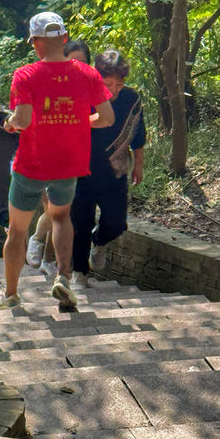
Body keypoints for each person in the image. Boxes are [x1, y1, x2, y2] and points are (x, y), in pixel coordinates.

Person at [0, 13, 114, 311]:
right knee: (60, 218)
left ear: (35, 43)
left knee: (18, 230)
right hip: (68, 163)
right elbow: (107, 118)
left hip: (31, 164)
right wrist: (77, 121)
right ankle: (63, 277)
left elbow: (22, 119)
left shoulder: (25, 75)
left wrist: (10, 122)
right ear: (64, 38)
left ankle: (10, 294)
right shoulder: (88, 75)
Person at [71, 50, 145, 288]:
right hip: (83, 169)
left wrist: (139, 165)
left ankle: (100, 241)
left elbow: (138, 134)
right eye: (108, 84)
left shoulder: (131, 100)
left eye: (119, 84)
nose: (113, 90)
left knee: (116, 222)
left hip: (115, 169)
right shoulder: (81, 96)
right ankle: (78, 272)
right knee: (80, 222)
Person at [26, 39, 91, 275]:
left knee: (62, 212)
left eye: (82, 62)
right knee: (56, 210)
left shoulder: (90, 87)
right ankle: (40, 243)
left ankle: (47, 257)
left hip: (77, 159)